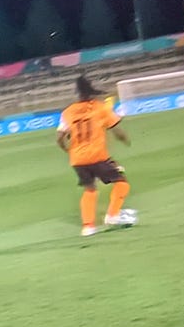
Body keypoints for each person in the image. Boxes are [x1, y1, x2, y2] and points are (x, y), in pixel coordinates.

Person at [57, 76, 134, 237]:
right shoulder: (101, 108)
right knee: (121, 183)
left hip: (77, 159)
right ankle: (112, 215)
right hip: (97, 156)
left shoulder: (68, 112)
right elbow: (117, 131)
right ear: (92, 92)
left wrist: (69, 151)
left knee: (89, 189)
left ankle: (88, 227)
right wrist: (125, 140)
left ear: (77, 93)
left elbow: (59, 138)